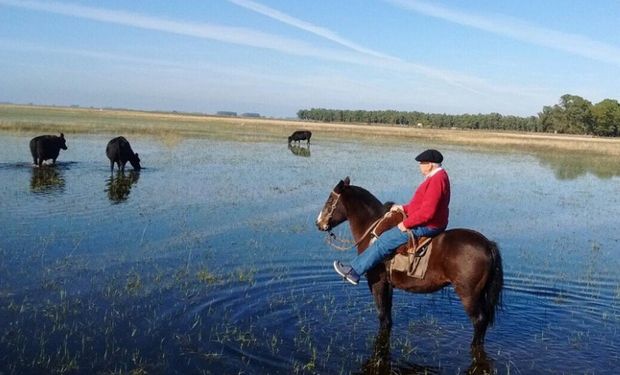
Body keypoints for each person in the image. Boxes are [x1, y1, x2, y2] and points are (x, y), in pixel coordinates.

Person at [333, 149, 451, 285]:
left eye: (421, 163)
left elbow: (427, 213)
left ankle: (354, 271)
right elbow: (421, 204)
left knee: (387, 238)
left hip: (430, 225)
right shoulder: (438, 177)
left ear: (430, 164)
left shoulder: (436, 180)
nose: (420, 166)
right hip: (433, 221)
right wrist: (403, 208)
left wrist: (405, 224)